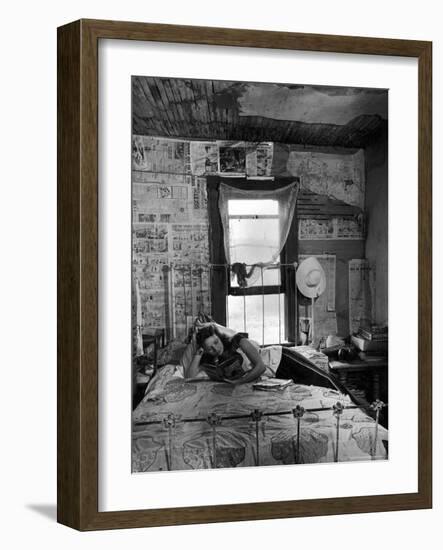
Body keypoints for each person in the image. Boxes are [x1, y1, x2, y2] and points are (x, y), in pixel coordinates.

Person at [184, 321, 266, 385]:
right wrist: (198, 353)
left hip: (249, 381)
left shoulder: (237, 341)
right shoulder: (207, 358)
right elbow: (189, 378)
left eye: (216, 342)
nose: (216, 349)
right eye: (210, 349)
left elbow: (261, 367)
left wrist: (240, 381)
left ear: (219, 336)